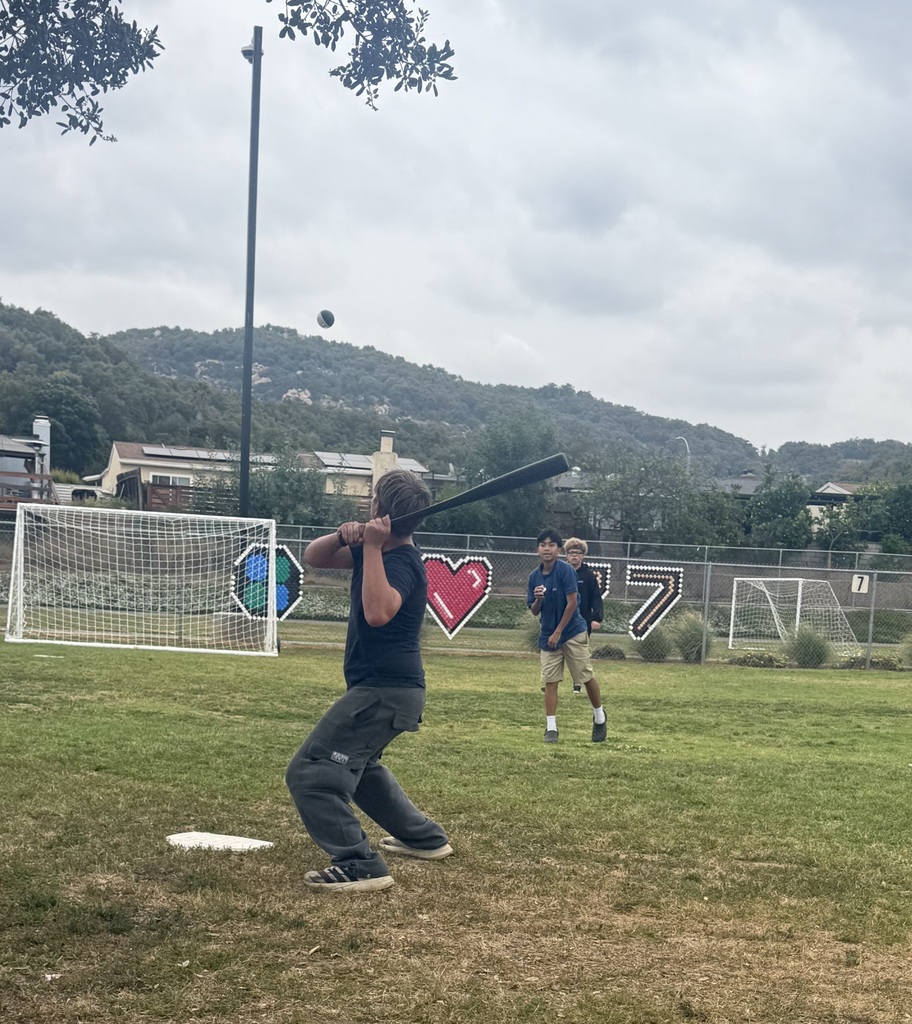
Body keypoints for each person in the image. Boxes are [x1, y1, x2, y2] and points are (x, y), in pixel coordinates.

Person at [286, 468, 452, 893]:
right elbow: (314, 557)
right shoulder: (375, 553)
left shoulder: (403, 563)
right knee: (362, 767)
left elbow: (379, 613)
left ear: (378, 509)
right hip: (386, 691)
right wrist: (346, 537)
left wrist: (374, 547)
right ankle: (424, 838)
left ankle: (360, 863)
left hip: (384, 692)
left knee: (311, 771)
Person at [527, 528, 607, 744]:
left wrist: (558, 632)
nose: (547, 548)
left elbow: (573, 604)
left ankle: (599, 715)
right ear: (537, 549)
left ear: (558, 550)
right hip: (548, 636)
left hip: (572, 631)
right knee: (550, 680)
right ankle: (551, 728)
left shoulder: (566, 571)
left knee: (584, 676)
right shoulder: (534, 576)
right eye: (543, 544)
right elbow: (534, 610)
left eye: (551, 544)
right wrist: (538, 600)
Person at [563, 537, 604, 694]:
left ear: (583, 556)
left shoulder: (588, 576)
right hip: (563, 620)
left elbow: (596, 598)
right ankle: (551, 681)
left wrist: (596, 618)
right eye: (571, 553)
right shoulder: (561, 573)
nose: (574, 556)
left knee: (579, 654)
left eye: (578, 553)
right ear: (566, 555)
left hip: (583, 621)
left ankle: (577, 683)